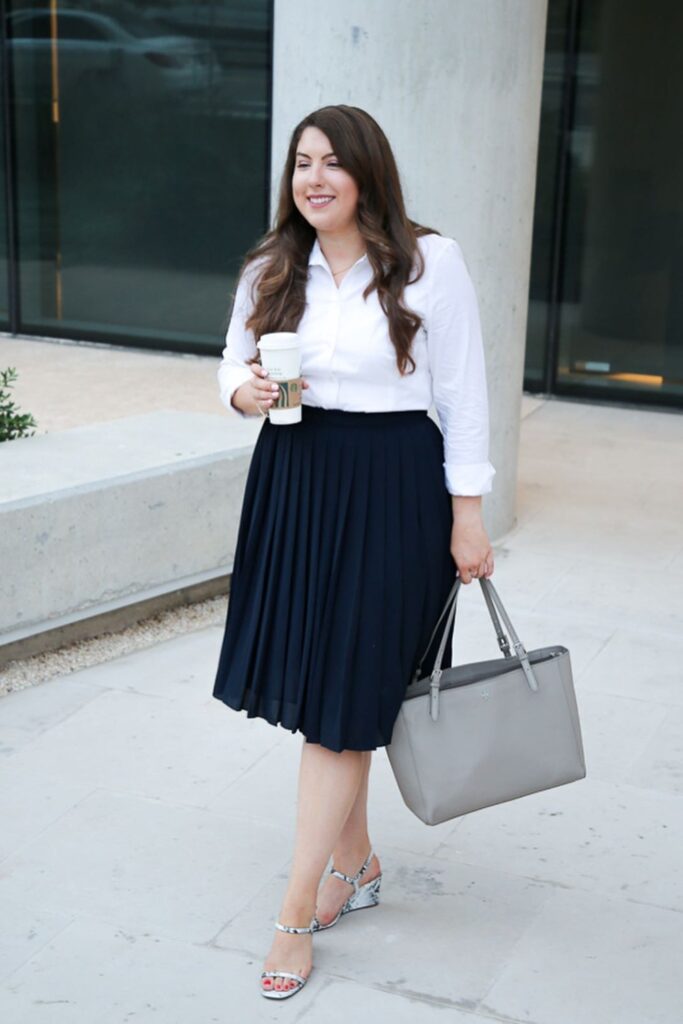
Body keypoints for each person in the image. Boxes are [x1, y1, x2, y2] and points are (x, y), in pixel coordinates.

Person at [212, 104, 495, 1000]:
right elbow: (227, 363)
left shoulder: (426, 261)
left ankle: (295, 911)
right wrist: (246, 392)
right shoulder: (271, 265)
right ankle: (358, 864)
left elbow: (463, 393)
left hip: (392, 485)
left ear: (368, 172)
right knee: (329, 691)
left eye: (333, 162)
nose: (314, 178)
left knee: (347, 695)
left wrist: (468, 515)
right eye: (302, 163)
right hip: (295, 477)